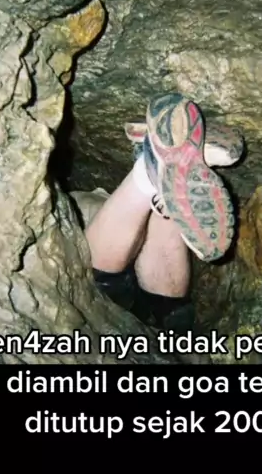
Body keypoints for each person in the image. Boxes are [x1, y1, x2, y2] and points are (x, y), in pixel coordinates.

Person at [77, 92, 239, 333]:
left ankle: (149, 171)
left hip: (92, 216)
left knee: (99, 290)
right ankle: (154, 173)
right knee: (168, 312)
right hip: (101, 214)